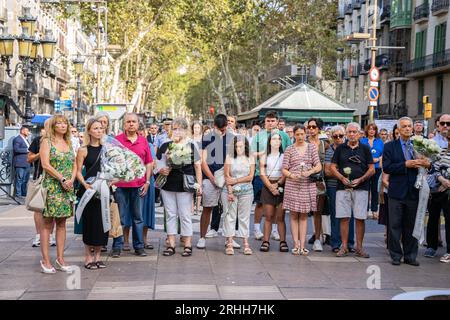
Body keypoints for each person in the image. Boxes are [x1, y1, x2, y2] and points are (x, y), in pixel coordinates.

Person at [382, 117, 431, 266]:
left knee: (412, 225)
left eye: (409, 126)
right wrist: (405, 164)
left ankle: (410, 256)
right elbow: (387, 167)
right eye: (404, 126)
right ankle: (396, 255)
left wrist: (427, 164)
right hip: (396, 191)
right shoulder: (390, 146)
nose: (408, 129)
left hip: (414, 191)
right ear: (398, 129)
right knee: (394, 225)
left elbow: (430, 165)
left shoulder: (419, 145)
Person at [157, 118, 202, 257]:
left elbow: (197, 166)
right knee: (170, 214)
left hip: (185, 184)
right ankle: (171, 243)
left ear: (185, 130)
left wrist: (199, 185)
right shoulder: (165, 145)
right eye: (175, 128)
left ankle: (187, 243)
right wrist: (161, 169)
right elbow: (157, 163)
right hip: (168, 183)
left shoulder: (191, 145)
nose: (177, 131)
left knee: (185, 214)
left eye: (180, 129)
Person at [331, 122, 375, 259]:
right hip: (343, 188)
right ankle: (344, 246)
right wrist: (341, 177)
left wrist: (361, 179)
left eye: (354, 132)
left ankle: (359, 247)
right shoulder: (340, 148)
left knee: (360, 218)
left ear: (359, 134)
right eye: (349, 132)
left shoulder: (365, 148)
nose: (351, 134)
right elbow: (332, 167)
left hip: (361, 188)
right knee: (344, 218)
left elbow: (372, 169)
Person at [39, 115, 77, 274]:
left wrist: (71, 180)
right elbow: (45, 164)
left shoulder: (68, 142)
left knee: (62, 223)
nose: (63, 126)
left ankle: (60, 258)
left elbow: (75, 163)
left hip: (66, 188)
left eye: (65, 123)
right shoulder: (46, 142)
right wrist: (62, 178)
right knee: (48, 224)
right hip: (53, 187)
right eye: (59, 123)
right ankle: (45, 260)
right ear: (53, 126)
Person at [112, 113, 153, 258]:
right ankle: (117, 246)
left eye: (133, 122)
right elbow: (110, 162)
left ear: (137, 124)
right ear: (124, 124)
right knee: (120, 218)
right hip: (120, 186)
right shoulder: (116, 141)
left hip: (139, 185)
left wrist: (147, 181)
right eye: (128, 121)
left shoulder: (143, 141)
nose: (131, 124)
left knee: (138, 217)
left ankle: (139, 247)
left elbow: (149, 162)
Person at [251, 110, 292, 242]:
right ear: (265, 122)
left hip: (280, 176)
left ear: (277, 122)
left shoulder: (284, 136)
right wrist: (262, 153)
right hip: (260, 174)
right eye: (268, 121)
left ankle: (275, 230)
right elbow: (251, 153)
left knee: (277, 205)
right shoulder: (259, 136)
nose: (270, 123)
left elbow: (289, 153)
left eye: (272, 121)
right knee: (260, 204)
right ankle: (257, 229)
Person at [282, 125, 321, 255]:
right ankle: (296, 244)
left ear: (305, 134)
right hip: (293, 184)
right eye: (297, 134)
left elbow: (318, 166)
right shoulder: (289, 149)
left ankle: (303, 245)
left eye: (302, 134)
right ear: (293, 135)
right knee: (293, 215)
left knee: (304, 215)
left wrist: (309, 172)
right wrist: (292, 175)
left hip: (307, 184)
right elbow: (284, 169)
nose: (300, 137)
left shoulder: (311, 148)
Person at [197, 114, 235, 249]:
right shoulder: (206, 138)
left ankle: (229, 238)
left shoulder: (231, 138)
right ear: (214, 126)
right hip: (209, 177)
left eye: (225, 129)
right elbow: (202, 161)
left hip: (226, 177)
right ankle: (202, 237)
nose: (223, 132)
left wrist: (228, 176)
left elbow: (232, 159)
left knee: (229, 210)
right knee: (207, 208)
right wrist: (212, 178)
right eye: (220, 129)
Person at [76, 118, 109, 270]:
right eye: (95, 128)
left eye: (101, 128)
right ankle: (88, 257)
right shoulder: (83, 149)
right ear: (89, 131)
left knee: (102, 223)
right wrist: (85, 184)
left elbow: (112, 169)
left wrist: (111, 182)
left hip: (103, 190)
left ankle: (98, 257)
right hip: (88, 191)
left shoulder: (107, 149)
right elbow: (77, 171)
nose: (99, 131)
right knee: (89, 224)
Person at [324, 125, 355, 253]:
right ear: (331, 137)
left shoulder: (350, 149)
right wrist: (342, 173)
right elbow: (327, 171)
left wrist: (336, 171)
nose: (338, 138)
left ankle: (350, 243)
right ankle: (335, 243)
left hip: (348, 186)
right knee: (335, 214)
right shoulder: (329, 151)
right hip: (333, 186)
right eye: (335, 136)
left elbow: (354, 168)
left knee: (349, 215)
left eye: (341, 136)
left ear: (345, 136)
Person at [223, 135, 255, 255]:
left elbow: (250, 176)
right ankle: (230, 242)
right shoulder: (229, 157)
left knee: (244, 217)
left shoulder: (250, 158)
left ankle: (245, 243)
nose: (238, 149)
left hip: (247, 191)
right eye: (236, 146)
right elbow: (227, 176)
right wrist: (230, 191)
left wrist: (236, 181)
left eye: (241, 146)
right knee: (230, 216)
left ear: (245, 146)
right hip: (231, 191)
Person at [424, 120, 450, 262]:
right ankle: (431, 246)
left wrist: (447, 184)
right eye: (443, 123)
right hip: (437, 189)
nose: (446, 126)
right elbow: (435, 167)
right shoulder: (439, 148)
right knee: (433, 217)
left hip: (447, 191)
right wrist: (442, 180)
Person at [28, 124, 56, 248]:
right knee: (38, 207)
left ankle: (50, 235)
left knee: (53, 209)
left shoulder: (60, 141)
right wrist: (41, 153)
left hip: (56, 179)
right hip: (40, 177)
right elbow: (29, 158)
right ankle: (39, 235)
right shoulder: (37, 140)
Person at [259, 132, 288, 253]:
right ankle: (265, 241)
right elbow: (262, 173)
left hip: (281, 185)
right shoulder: (264, 156)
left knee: (280, 216)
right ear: (270, 141)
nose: (277, 141)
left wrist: (279, 183)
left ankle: (283, 241)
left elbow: (286, 171)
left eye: (279, 139)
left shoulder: (285, 156)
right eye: (274, 139)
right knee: (269, 216)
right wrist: (271, 187)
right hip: (268, 185)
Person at [306, 118, 329, 251]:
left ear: (319, 129)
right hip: (304, 181)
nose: (311, 129)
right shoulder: (302, 142)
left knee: (318, 211)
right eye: (309, 127)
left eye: (314, 127)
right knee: (302, 211)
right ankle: (301, 240)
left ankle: (317, 239)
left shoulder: (324, 144)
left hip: (319, 181)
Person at [360, 124, 384, 220]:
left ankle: (374, 211)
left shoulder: (380, 142)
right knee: (365, 190)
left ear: (375, 131)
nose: (371, 131)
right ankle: (364, 211)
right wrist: (369, 160)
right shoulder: (362, 141)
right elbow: (360, 154)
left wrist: (377, 159)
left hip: (377, 169)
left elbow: (383, 154)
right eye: (369, 129)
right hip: (365, 169)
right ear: (367, 131)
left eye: (373, 129)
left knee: (375, 190)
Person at [13, 126, 31, 200]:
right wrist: (27, 150)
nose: (28, 132)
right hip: (20, 163)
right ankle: (18, 194)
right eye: (27, 131)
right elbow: (16, 149)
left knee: (25, 180)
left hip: (27, 163)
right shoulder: (17, 139)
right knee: (19, 179)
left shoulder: (26, 140)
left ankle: (24, 194)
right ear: (22, 131)